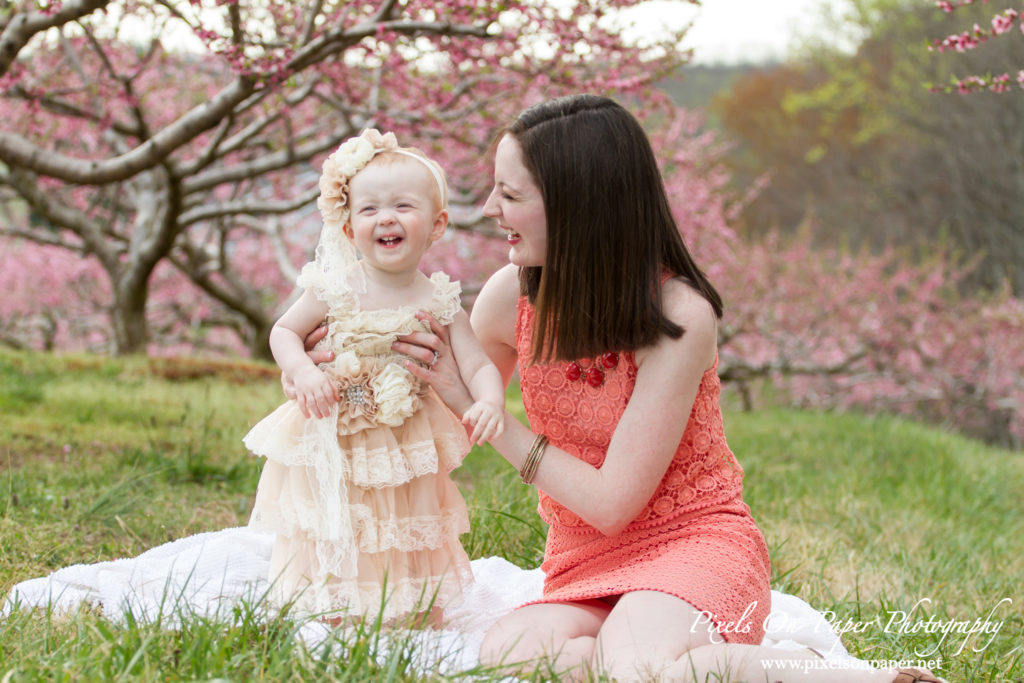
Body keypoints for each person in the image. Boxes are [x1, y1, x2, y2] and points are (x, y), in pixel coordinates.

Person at [384, 95, 946, 683]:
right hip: (583, 559)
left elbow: (610, 502)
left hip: (695, 543)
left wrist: (488, 415)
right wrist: (357, 361)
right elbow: (443, 430)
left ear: (580, 205)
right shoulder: (510, 298)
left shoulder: (678, 314)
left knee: (635, 670)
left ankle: (843, 677)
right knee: (515, 654)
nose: (491, 208)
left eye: (512, 194)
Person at [245, 128, 505, 626]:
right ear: (348, 229)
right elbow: (283, 332)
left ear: (437, 224)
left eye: (404, 206)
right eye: (368, 210)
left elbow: (475, 363)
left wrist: (489, 401)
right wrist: (301, 370)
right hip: (334, 432)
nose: (386, 217)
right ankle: (334, 604)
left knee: (405, 524)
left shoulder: (439, 299)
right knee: (339, 520)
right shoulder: (334, 288)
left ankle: (409, 603)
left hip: (406, 440)